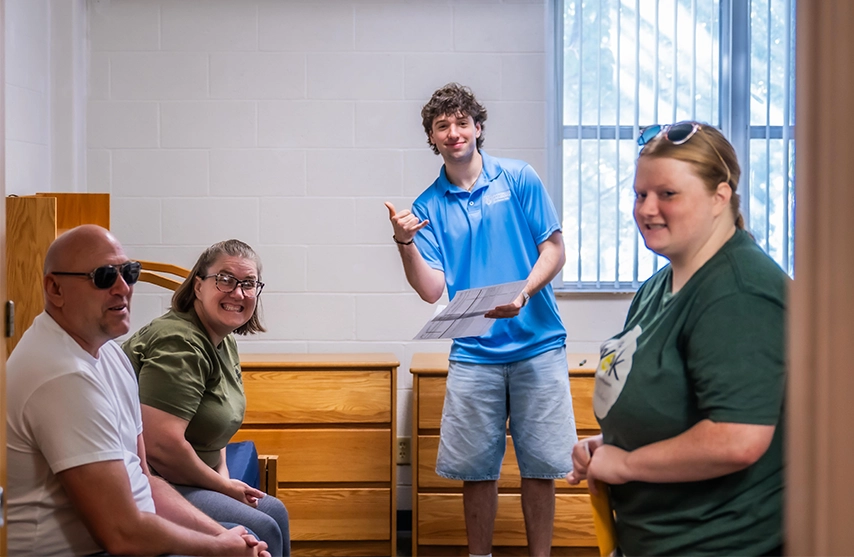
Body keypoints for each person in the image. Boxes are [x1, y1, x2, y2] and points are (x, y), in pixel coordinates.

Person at [566, 121, 787, 556]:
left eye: (668, 194)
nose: (647, 209)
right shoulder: (660, 286)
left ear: (720, 197)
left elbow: (736, 438)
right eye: (639, 194)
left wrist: (627, 463)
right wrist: (611, 445)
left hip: (719, 543)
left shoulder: (739, 292)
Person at [385, 82, 576, 557]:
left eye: (462, 122)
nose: (454, 133)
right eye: (442, 126)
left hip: (539, 345)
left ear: (478, 128)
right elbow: (431, 289)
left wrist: (524, 293)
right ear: (432, 137)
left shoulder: (519, 178)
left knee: (541, 467)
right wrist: (404, 243)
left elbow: (554, 250)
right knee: (475, 470)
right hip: (474, 354)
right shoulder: (427, 206)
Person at [6, 225, 270, 557]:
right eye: (103, 277)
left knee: (251, 535)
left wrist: (227, 537)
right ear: (55, 288)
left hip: (130, 533)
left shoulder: (110, 354)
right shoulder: (61, 375)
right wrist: (217, 548)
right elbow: (123, 534)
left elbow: (146, 481)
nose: (123, 288)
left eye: (129, 273)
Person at [122, 239, 290, 557]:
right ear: (198, 285)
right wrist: (224, 488)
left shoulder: (222, 340)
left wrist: (222, 480)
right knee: (263, 527)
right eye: (225, 280)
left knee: (276, 511)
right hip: (153, 481)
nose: (237, 293)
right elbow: (160, 446)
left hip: (191, 476)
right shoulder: (179, 342)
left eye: (248, 284)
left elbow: (215, 427)